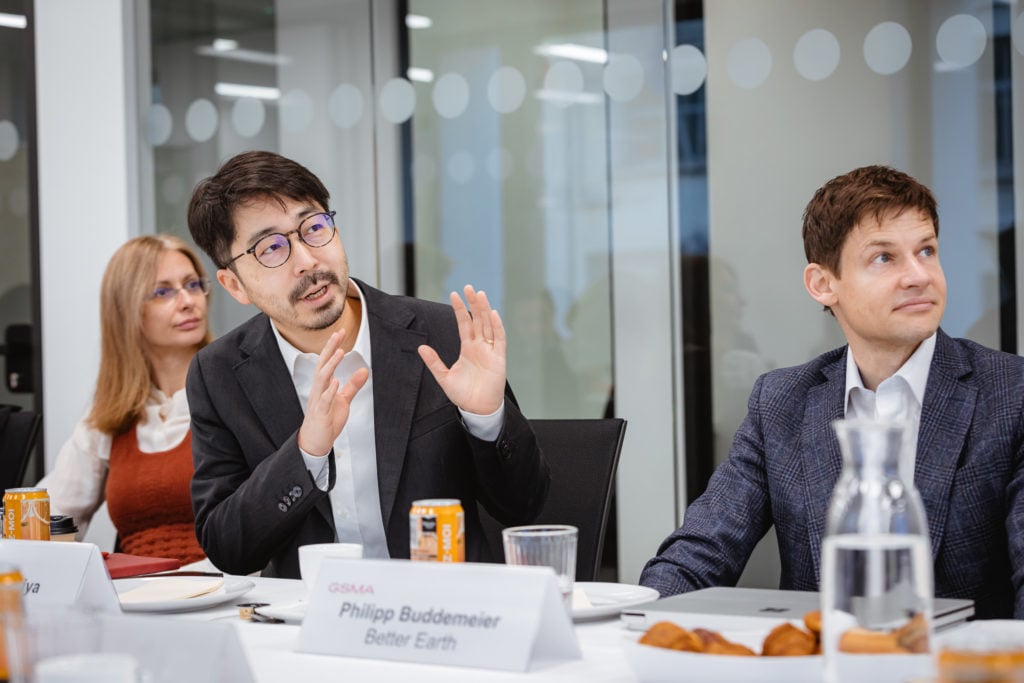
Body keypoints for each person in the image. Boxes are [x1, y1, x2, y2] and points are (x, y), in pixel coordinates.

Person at [639, 165, 1024, 619]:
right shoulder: (782, 401)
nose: (919, 275)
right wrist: (631, 634)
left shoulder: (1010, 395)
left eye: (926, 251)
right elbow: (699, 553)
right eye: (885, 258)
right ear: (823, 285)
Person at [185, 150, 549, 578]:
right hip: (310, 623)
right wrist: (306, 453)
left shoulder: (443, 336)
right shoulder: (219, 374)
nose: (307, 260)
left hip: (444, 611)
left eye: (314, 228)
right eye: (271, 248)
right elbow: (229, 549)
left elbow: (525, 505)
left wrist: (486, 419)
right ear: (234, 285)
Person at [39, 235, 213, 563]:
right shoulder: (110, 415)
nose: (188, 301)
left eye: (192, 285)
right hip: (135, 601)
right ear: (128, 310)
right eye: (163, 292)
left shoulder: (234, 391)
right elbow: (49, 517)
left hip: (229, 592)